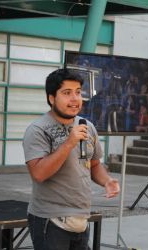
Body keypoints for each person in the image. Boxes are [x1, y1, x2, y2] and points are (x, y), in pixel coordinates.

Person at [23, 69, 120, 250]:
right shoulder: (37, 129)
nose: (75, 99)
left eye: (78, 92)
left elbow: (94, 165)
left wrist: (106, 181)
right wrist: (69, 143)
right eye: (67, 93)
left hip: (81, 219)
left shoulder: (87, 126)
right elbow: (38, 173)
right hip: (50, 220)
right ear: (52, 98)